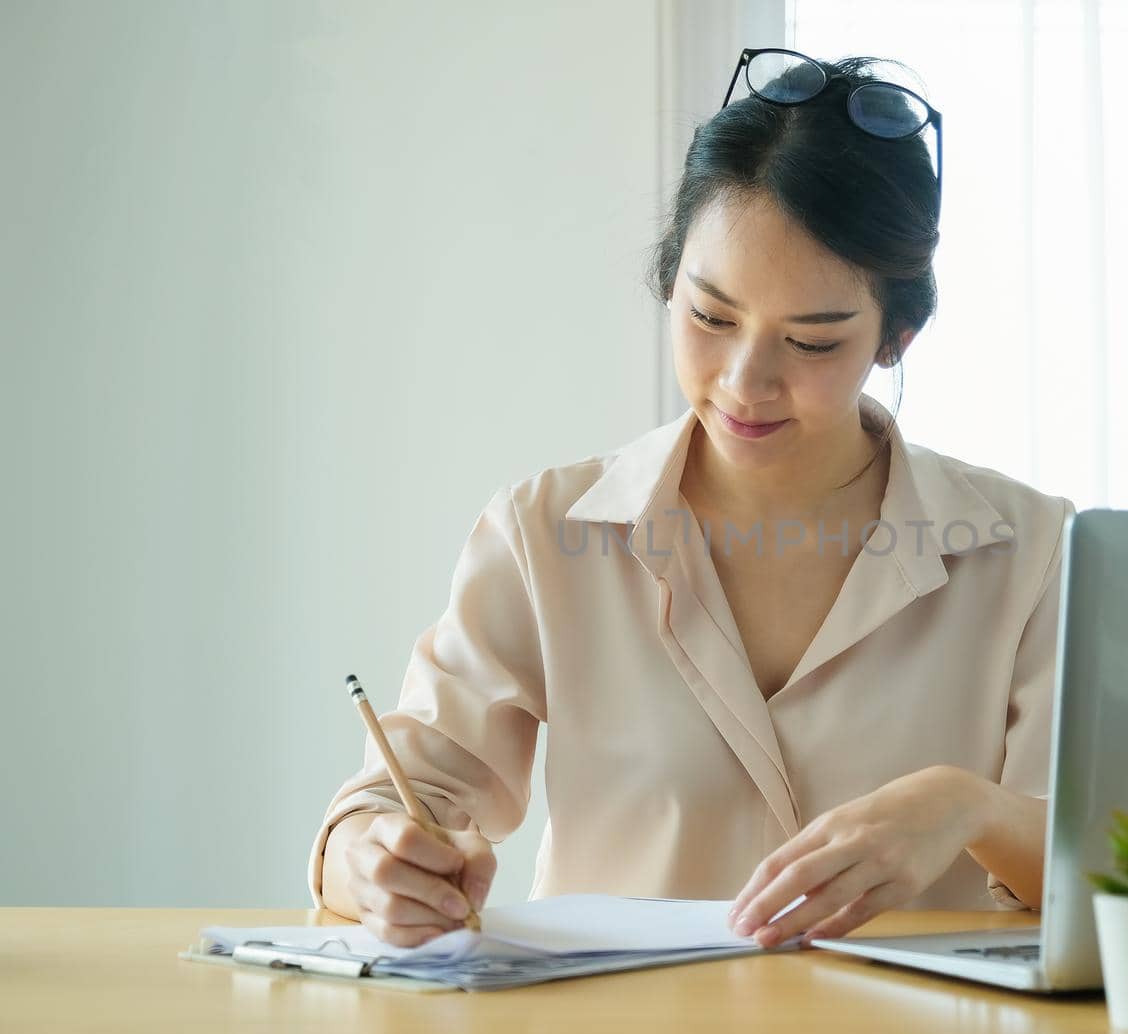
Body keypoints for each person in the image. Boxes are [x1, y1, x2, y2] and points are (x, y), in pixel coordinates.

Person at [311, 49, 1074, 949]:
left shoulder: (1028, 552)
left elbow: (1117, 875)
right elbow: (395, 805)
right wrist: (377, 860)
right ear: (669, 280)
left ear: (896, 335)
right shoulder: (547, 533)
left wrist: (966, 808)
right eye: (710, 318)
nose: (746, 381)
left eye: (812, 342)